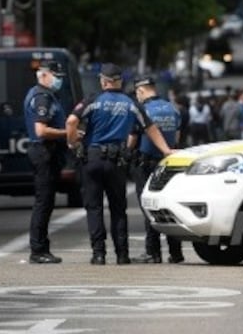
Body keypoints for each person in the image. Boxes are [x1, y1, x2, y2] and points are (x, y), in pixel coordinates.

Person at [67, 64, 175, 265]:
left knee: (95, 208)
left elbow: (71, 122)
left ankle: (98, 254)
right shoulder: (131, 103)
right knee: (118, 209)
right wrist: (166, 150)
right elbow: (150, 127)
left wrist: (73, 143)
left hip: (93, 158)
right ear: (119, 81)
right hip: (117, 161)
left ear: (103, 81)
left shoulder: (93, 100)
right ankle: (122, 254)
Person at [129, 75, 185, 264]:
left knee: (149, 207)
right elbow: (176, 137)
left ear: (141, 91)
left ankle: (152, 252)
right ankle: (176, 252)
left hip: (145, 164)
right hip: (168, 163)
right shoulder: (172, 108)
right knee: (169, 206)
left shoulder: (142, 110)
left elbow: (132, 140)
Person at [24, 63, 70, 264]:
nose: (58, 79)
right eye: (55, 75)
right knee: (44, 202)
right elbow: (41, 131)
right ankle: (38, 250)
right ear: (43, 75)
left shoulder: (43, 94)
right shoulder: (42, 96)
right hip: (44, 152)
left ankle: (41, 247)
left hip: (46, 152)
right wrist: (68, 133)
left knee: (47, 202)